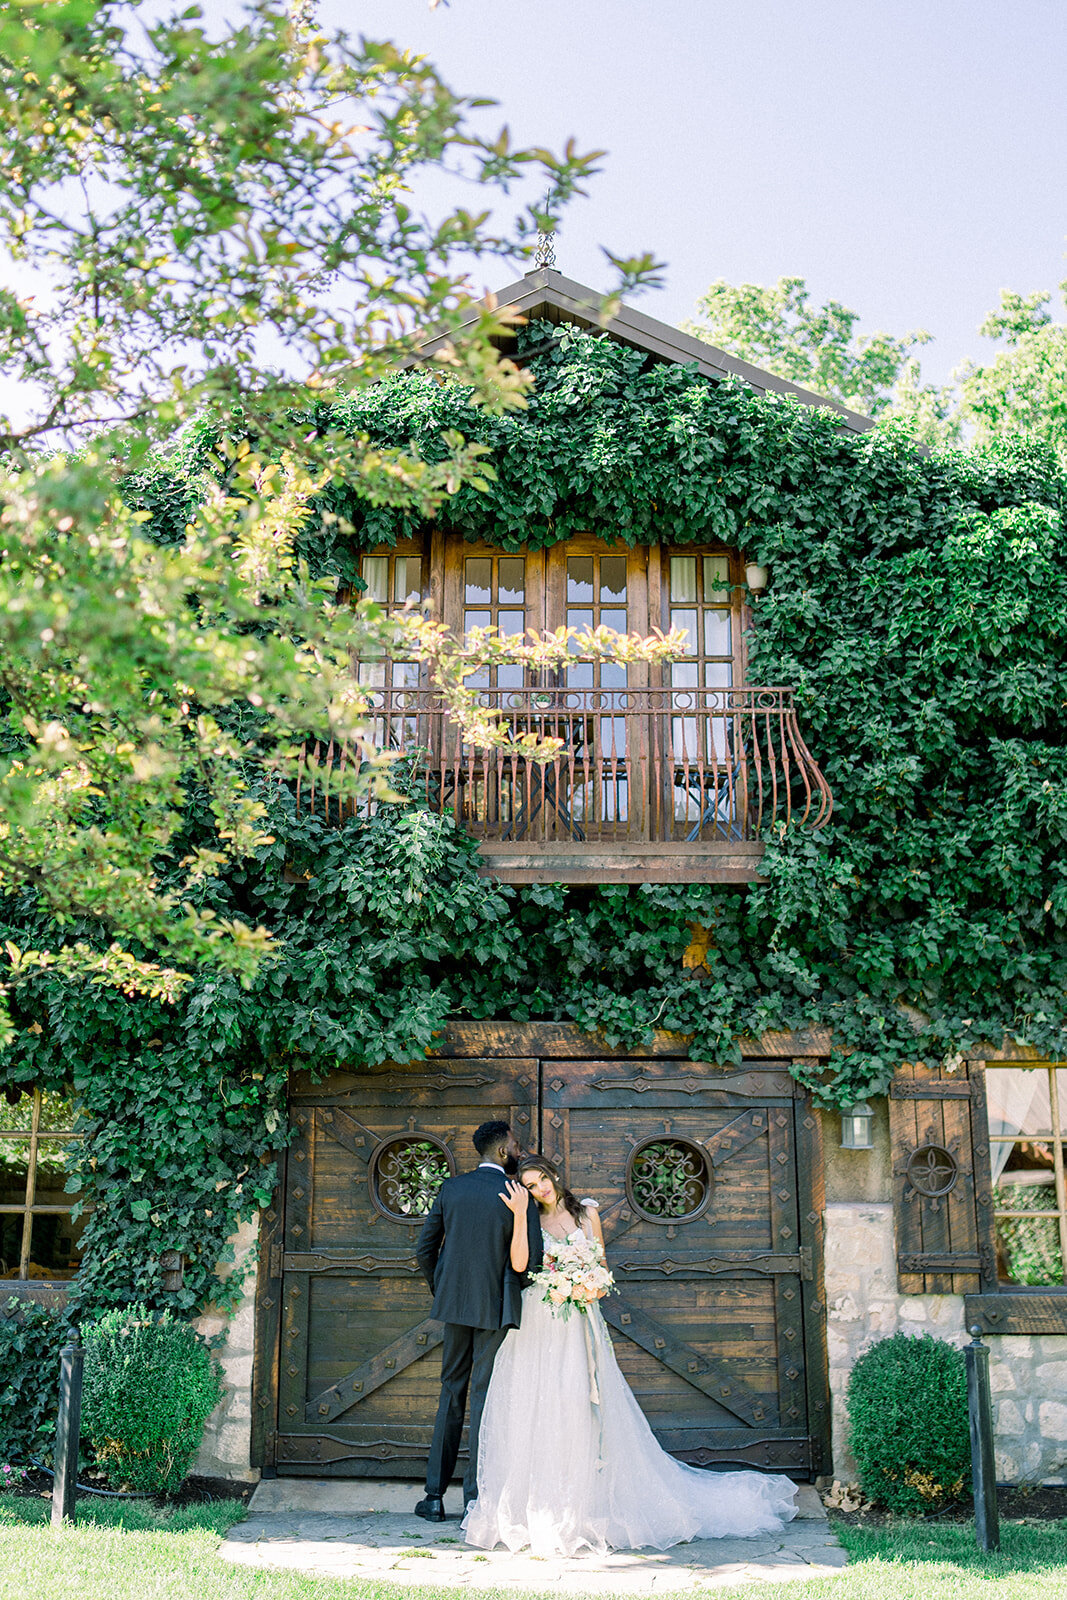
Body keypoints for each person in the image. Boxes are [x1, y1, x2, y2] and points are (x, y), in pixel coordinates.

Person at [463, 1154, 798, 1556]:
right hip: (538, 1319)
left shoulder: (586, 1215)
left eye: (544, 1179)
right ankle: (538, 1507)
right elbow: (519, 1266)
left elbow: (602, 1271)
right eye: (531, 1185)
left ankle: (583, 1501)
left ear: (555, 1174)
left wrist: (586, 1284)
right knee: (535, 1406)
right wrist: (519, 1215)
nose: (541, 1189)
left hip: (576, 1323)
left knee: (576, 1403)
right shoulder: (529, 1219)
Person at [413, 1120, 543, 1521]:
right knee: (484, 1399)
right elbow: (531, 1263)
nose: (519, 1151)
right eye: (516, 1145)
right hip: (495, 1307)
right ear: (503, 1151)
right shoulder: (518, 1195)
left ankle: (434, 1497)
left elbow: (424, 1249)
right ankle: (475, 1501)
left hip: (455, 1305)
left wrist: (446, 1288)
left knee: (451, 1393)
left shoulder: (452, 1188)